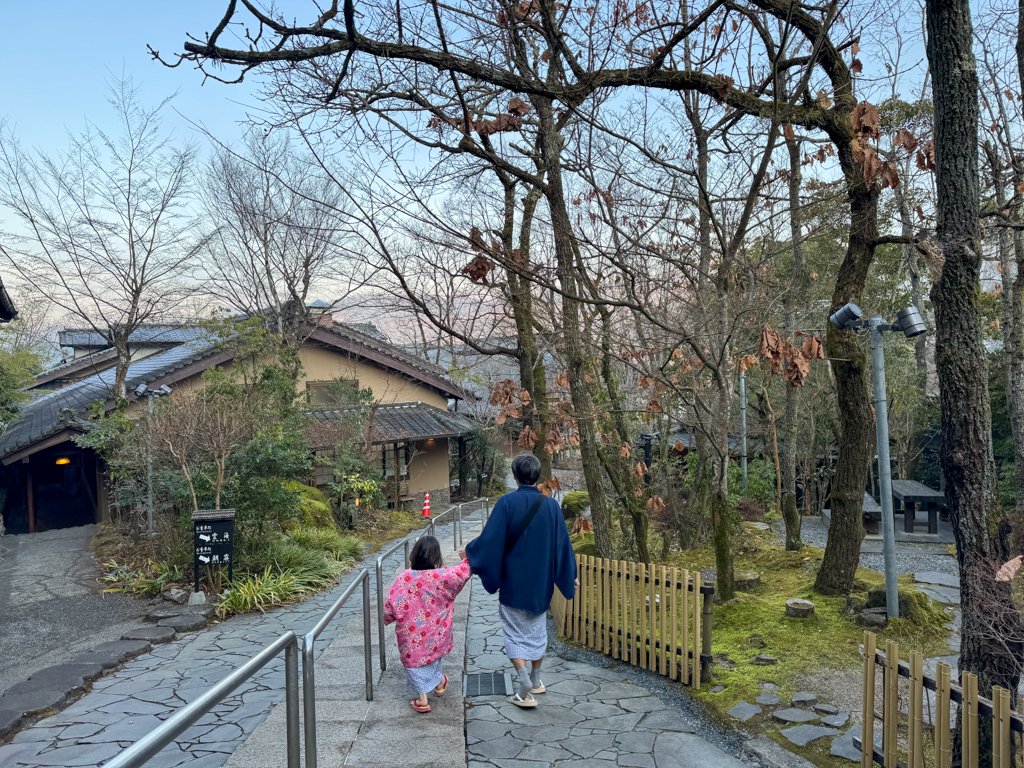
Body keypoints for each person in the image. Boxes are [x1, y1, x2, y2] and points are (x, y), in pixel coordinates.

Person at [461, 453, 578, 708]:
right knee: (537, 631)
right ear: (537, 477)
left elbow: (490, 540)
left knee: (514, 634)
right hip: (540, 584)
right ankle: (536, 679)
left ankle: (523, 679)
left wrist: (471, 551)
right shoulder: (551, 507)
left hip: (514, 583)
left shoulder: (506, 503)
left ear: (514, 476)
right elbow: (562, 547)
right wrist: (570, 576)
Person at [384, 535, 472, 713]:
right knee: (433, 659)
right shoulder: (441, 576)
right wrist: (468, 556)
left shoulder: (403, 578)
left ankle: (423, 697)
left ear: (414, 555)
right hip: (435, 633)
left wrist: (389, 617)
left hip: (410, 635)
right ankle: (439, 683)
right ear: (436, 557)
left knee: (414, 663)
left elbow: (390, 605)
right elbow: (462, 571)